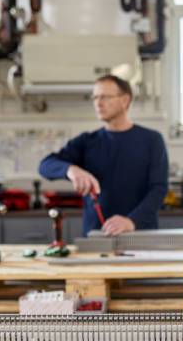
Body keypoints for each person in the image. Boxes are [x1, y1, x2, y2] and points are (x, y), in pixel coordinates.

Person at [39, 75, 168, 236]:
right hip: (97, 235)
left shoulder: (152, 140)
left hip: (140, 234)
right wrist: (71, 170)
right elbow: (45, 165)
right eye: (95, 97)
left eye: (105, 97)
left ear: (125, 100)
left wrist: (131, 221)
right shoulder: (87, 141)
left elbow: (159, 189)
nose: (98, 103)